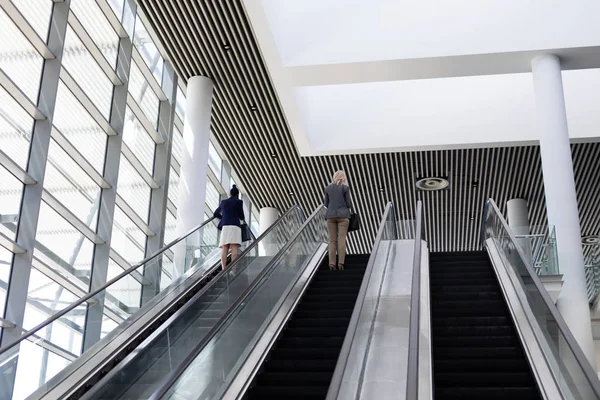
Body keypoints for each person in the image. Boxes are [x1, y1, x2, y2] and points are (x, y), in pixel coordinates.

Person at [324, 170, 352, 270]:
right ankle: (341, 263)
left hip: (330, 216)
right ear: (343, 177)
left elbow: (326, 204)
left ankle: (331, 264)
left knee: (332, 240)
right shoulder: (345, 188)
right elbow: (348, 203)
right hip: (343, 216)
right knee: (341, 238)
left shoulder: (328, 188)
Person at [214, 185, 245, 270]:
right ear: (237, 194)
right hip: (235, 226)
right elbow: (242, 216)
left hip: (226, 226)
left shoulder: (224, 202)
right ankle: (233, 270)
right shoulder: (239, 202)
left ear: (230, 194)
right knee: (234, 248)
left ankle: (224, 269)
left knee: (225, 248)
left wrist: (223, 218)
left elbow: (215, 214)